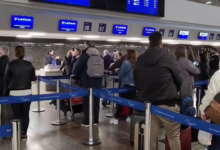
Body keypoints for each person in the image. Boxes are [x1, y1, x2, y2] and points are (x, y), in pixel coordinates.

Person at [134, 31, 183, 150]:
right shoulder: (168, 56)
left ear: (149, 43)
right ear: (161, 43)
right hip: (168, 103)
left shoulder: (140, 59)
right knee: (173, 137)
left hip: (149, 104)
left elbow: (137, 80)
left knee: (150, 137)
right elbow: (179, 78)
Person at [4, 45, 36, 140]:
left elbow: (6, 79)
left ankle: (17, 132)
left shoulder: (10, 64)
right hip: (27, 92)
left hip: (14, 93)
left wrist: (5, 92)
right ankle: (24, 134)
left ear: (15, 53)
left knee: (17, 114)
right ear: (23, 53)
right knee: (25, 114)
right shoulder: (29, 64)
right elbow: (33, 79)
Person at [73, 41, 103, 127]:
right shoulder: (99, 55)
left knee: (87, 102)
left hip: (87, 82)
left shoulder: (85, 56)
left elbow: (76, 69)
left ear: (86, 46)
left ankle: (87, 121)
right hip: (98, 82)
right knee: (96, 101)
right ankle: (96, 120)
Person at [110, 49, 137, 125]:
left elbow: (121, 74)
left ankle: (116, 118)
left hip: (126, 85)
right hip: (134, 86)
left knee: (121, 102)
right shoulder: (137, 63)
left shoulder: (126, 62)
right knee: (131, 102)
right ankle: (129, 117)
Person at [199, 70, 220, 150]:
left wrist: (203, 110)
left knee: (216, 144)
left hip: (218, 116)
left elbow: (211, 94)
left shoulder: (218, 75)